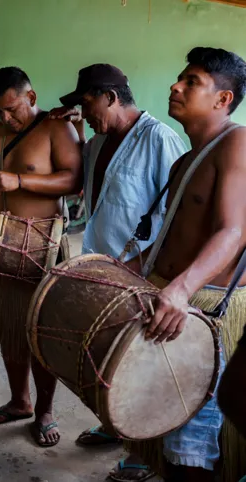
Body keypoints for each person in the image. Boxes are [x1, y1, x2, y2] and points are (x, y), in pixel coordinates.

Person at [50, 64, 187, 481]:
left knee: (143, 367)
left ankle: (144, 453)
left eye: (87, 102)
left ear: (110, 96)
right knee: (106, 362)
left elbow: (178, 214)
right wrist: (69, 130)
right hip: (102, 274)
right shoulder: (95, 145)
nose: (85, 113)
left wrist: (146, 267)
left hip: (143, 278)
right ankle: (115, 428)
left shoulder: (159, 139)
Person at [124, 47, 246, 482]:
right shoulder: (185, 159)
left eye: (191, 82)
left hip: (205, 312)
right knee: (166, 437)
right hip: (173, 303)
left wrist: (179, 288)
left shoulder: (238, 143)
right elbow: (169, 243)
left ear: (222, 99)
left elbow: (233, 231)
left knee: (192, 449)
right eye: (180, 78)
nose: (175, 86)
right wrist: (118, 268)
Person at [0, 67, 82, 447]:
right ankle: (20, 402)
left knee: (41, 335)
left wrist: (21, 180)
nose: (6, 118)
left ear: (30, 98)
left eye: (12, 109)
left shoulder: (55, 129)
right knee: (11, 330)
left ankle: (45, 410)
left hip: (44, 248)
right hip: (1, 247)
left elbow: (73, 180)